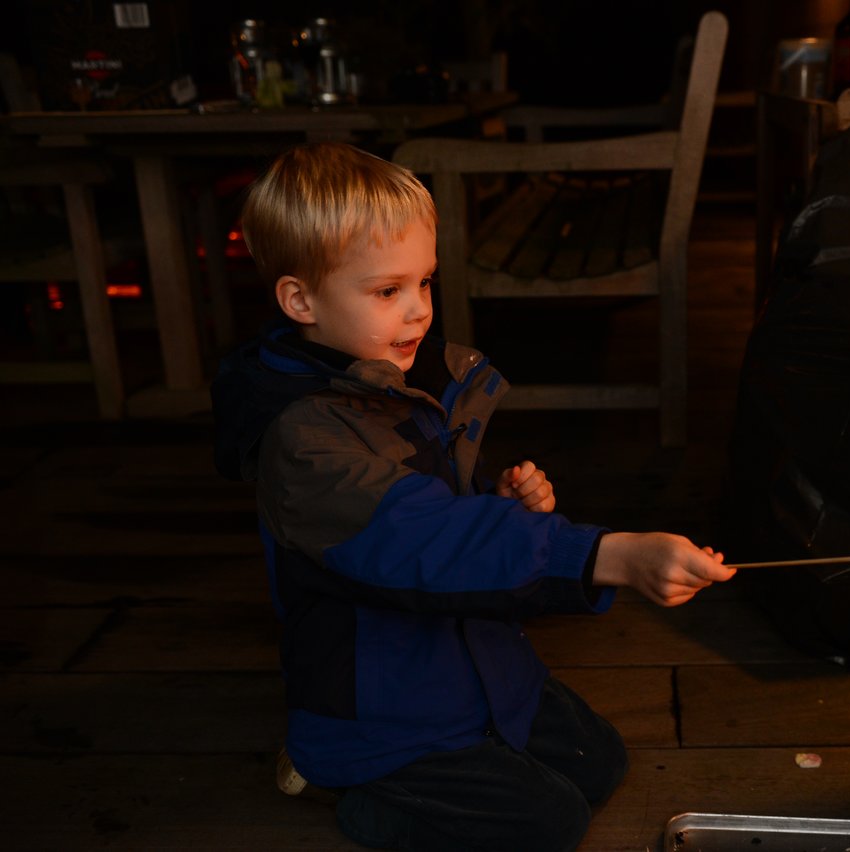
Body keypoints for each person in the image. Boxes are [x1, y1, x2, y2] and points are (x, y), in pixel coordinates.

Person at [211, 142, 735, 851]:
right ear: (300, 299)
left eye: (424, 283)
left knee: (599, 763)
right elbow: (424, 539)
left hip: (468, 653)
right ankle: (355, 789)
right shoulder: (303, 439)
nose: (419, 311)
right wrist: (604, 555)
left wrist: (505, 501)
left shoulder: (401, 379)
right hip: (380, 700)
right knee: (548, 821)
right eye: (387, 291)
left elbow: (449, 510)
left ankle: (474, 740)